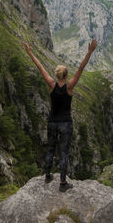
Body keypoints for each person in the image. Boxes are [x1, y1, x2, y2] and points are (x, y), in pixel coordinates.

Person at [22, 39, 97, 191]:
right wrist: (89, 52)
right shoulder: (69, 87)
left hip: (52, 122)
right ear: (66, 75)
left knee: (50, 148)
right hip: (66, 123)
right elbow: (81, 68)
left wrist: (30, 52)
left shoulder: (51, 84)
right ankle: (62, 183)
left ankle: (48, 175)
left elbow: (40, 67)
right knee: (64, 152)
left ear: (56, 75)